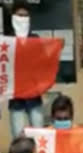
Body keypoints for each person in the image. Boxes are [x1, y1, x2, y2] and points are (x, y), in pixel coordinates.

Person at [7, 1, 44, 138]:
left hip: (34, 96)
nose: (22, 18)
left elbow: (44, 63)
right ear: (13, 17)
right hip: (15, 97)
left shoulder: (35, 39)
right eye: (19, 15)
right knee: (18, 137)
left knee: (40, 135)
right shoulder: (6, 41)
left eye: (25, 16)